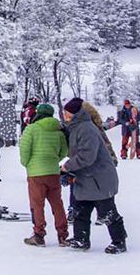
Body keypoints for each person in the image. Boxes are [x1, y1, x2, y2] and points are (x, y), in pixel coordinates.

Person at [61, 97, 128, 254]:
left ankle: (119, 241)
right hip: (86, 178)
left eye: (66, 113)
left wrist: (67, 166)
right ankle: (81, 238)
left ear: (74, 114)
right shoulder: (76, 127)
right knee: (80, 211)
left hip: (99, 179)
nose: (64, 115)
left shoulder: (86, 129)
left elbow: (87, 156)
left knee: (108, 212)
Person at [19, 103, 69, 247]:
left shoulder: (31, 129)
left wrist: (28, 164)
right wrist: (53, 161)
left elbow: (24, 151)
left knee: (37, 204)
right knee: (57, 204)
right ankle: (63, 235)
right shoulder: (58, 130)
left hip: (36, 173)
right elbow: (64, 152)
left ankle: (39, 235)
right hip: (53, 172)